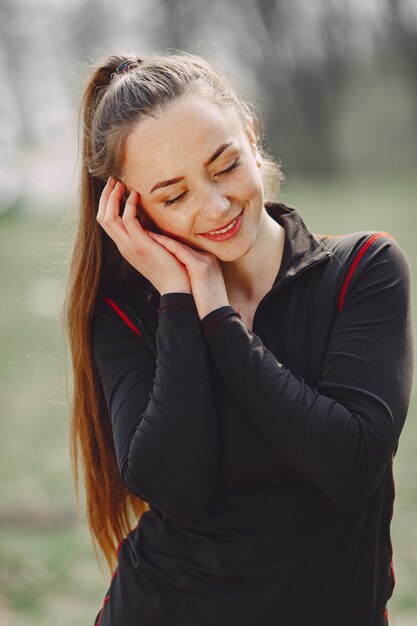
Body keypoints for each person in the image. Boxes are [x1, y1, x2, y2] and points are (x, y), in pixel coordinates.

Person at [65, 51, 414, 626]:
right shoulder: (127, 317)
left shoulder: (363, 270)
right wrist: (183, 302)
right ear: (131, 208)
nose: (217, 206)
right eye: (173, 196)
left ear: (250, 136)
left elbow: (351, 465)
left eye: (224, 165)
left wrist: (219, 318)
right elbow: (177, 489)